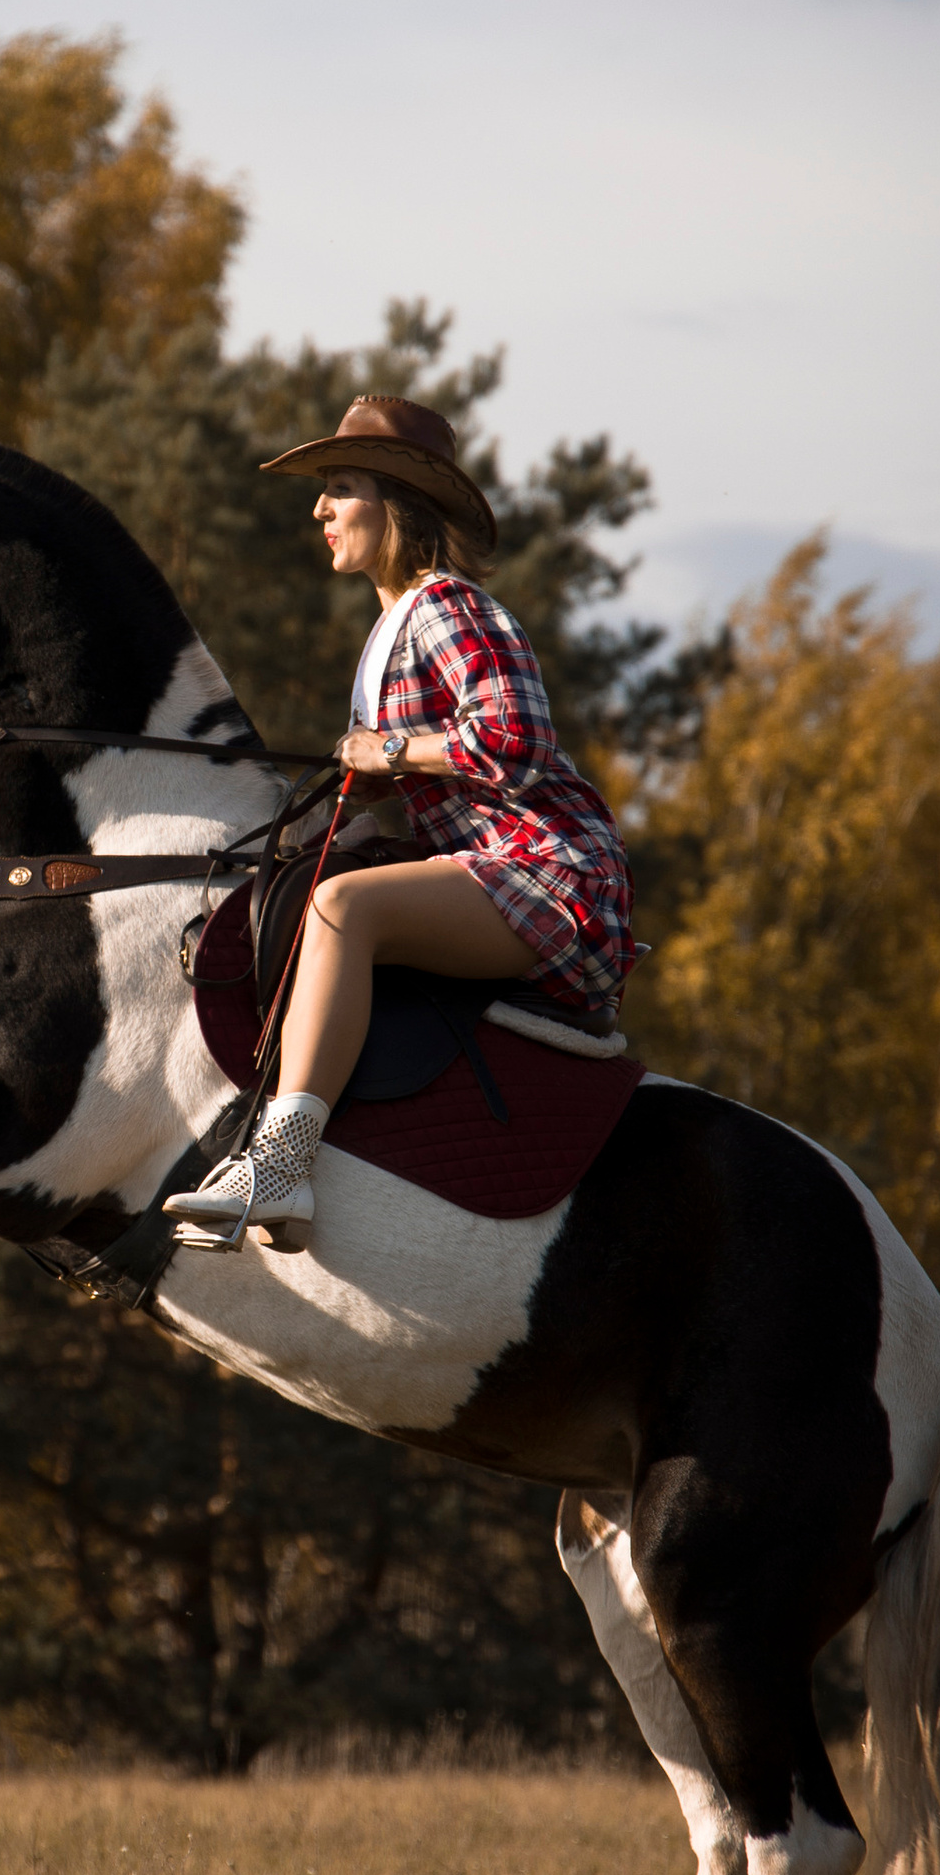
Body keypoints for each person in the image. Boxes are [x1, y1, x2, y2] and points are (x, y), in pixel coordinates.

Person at [165, 393, 636, 1251]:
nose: (319, 509)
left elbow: (517, 742)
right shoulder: (392, 627)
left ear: (396, 506)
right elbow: (432, 769)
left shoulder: (449, 606)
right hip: (492, 859)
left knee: (347, 910)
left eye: (340, 488)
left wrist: (388, 754)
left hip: (549, 866)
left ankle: (280, 1165)